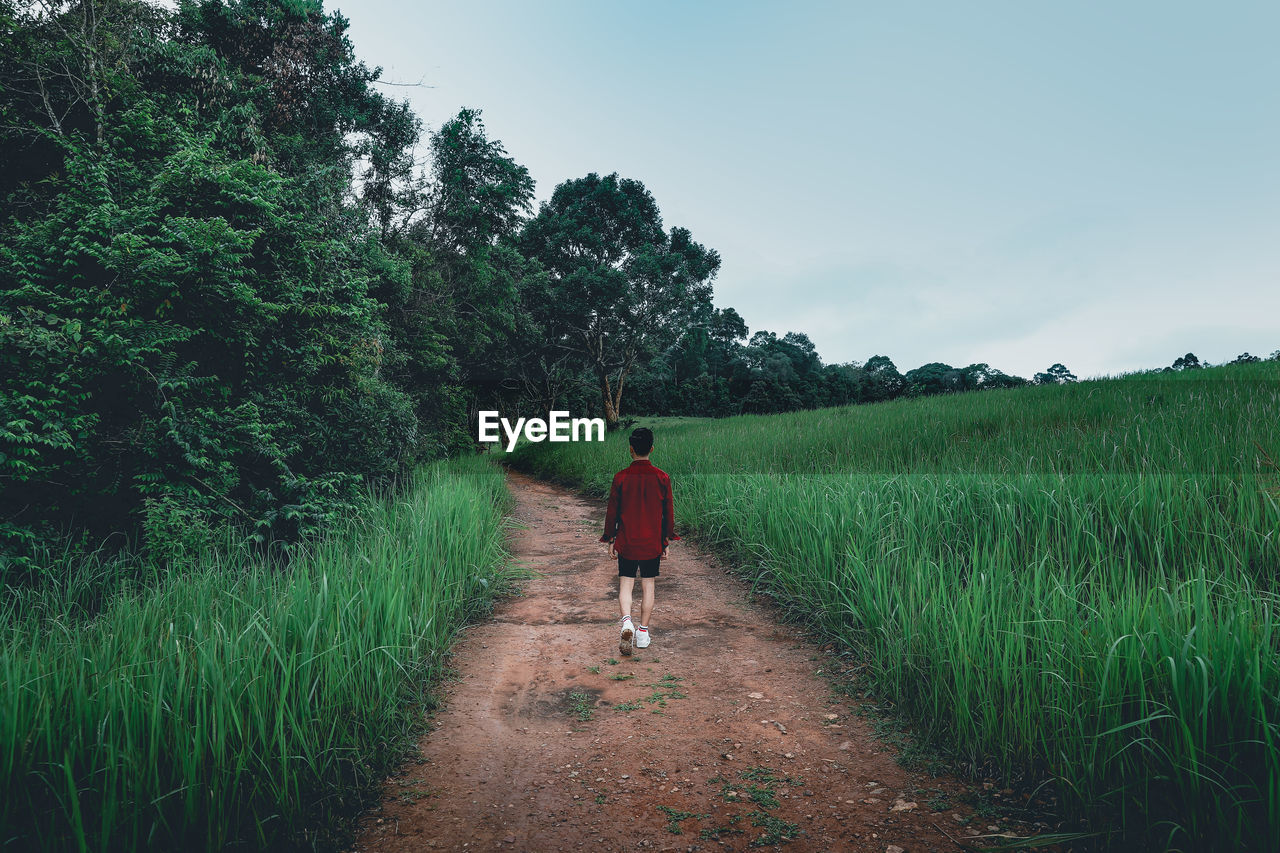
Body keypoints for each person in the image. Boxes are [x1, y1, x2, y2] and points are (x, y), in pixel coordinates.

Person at [600, 426, 677, 656]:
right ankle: (643, 633)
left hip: (627, 541)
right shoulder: (662, 477)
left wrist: (611, 538)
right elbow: (668, 513)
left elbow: (612, 512)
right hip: (652, 542)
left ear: (630, 450)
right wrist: (666, 540)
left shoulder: (620, 477)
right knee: (648, 585)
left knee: (626, 584)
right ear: (651, 449)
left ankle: (626, 623)